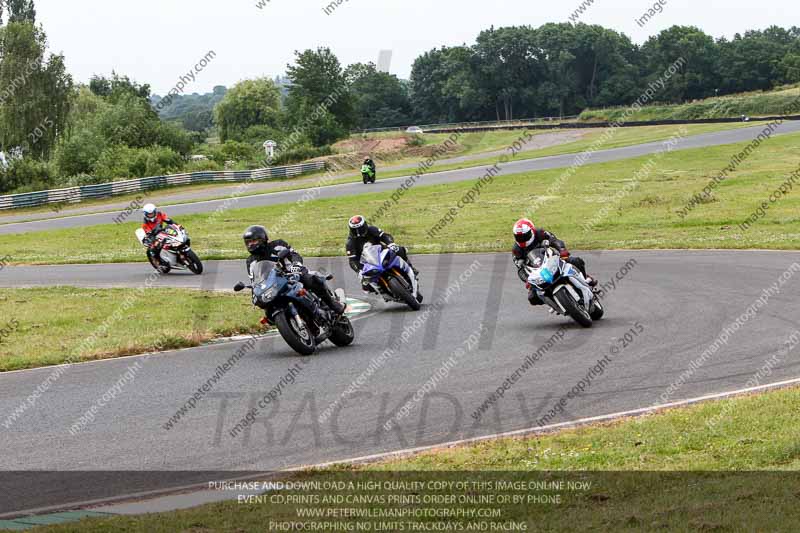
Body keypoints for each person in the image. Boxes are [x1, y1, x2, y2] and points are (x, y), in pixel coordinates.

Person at [242, 225, 345, 316]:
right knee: (267, 310)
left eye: (253, 241)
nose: (251, 244)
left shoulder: (277, 245)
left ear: (262, 238)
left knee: (310, 280)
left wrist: (296, 265)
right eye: (248, 242)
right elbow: (254, 279)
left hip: (292, 272)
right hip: (274, 283)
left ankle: (332, 304)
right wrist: (255, 293)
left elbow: (294, 255)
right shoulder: (250, 261)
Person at [511, 218, 597, 306]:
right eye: (519, 237)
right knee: (532, 298)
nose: (522, 239)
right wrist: (527, 280)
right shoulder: (516, 250)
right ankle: (556, 303)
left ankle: (585, 278)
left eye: (524, 236)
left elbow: (555, 241)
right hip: (538, 272)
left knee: (575, 261)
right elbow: (521, 269)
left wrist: (562, 250)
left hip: (552, 259)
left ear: (532, 231)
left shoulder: (540, 233)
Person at [346, 215, 418, 293]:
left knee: (399, 249)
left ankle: (411, 267)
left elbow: (385, 236)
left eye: (360, 229)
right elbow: (352, 261)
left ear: (365, 225)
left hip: (382, 252)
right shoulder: (350, 243)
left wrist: (391, 244)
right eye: (355, 230)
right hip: (368, 263)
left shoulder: (372, 230)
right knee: (366, 286)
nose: (358, 232)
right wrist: (359, 270)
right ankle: (381, 290)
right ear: (350, 230)